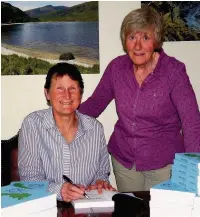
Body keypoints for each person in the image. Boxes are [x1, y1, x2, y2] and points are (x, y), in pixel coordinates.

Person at [79, 6, 200, 192]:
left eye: (145, 38)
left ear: (157, 40)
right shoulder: (116, 68)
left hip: (164, 164)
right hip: (124, 162)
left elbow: (191, 122)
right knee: (131, 210)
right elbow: (95, 105)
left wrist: (193, 169)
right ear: (125, 40)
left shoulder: (174, 71)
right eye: (132, 37)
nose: (137, 46)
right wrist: (58, 118)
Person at [18, 63, 115, 202]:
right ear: (47, 93)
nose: (67, 95)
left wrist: (100, 182)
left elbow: (102, 171)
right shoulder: (32, 124)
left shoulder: (95, 128)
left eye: (72, 89)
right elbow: (29, 180)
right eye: (59, 89)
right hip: (46, 206)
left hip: (86, 206)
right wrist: (60, 190)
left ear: (80, 94)